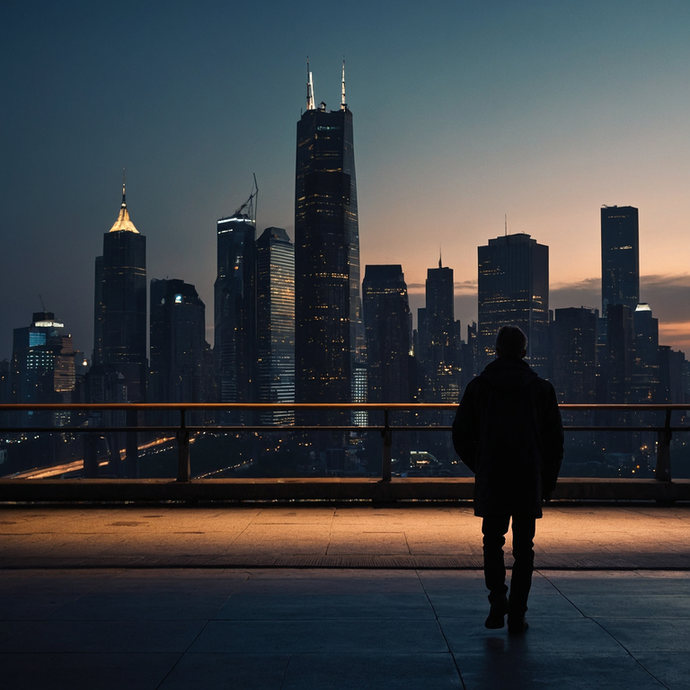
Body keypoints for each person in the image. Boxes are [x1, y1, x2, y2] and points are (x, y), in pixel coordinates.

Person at [452, 325, 563, 633]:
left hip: (494, 477)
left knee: (492, 541)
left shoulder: (479, 388)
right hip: (528, 478)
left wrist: (482, 465)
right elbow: (555, 442)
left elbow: (461, 435)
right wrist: (547, 481)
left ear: (497, 350)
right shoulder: (542, 389)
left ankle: (497, 599)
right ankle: (517, 613)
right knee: (524, 548)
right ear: (524, 352)